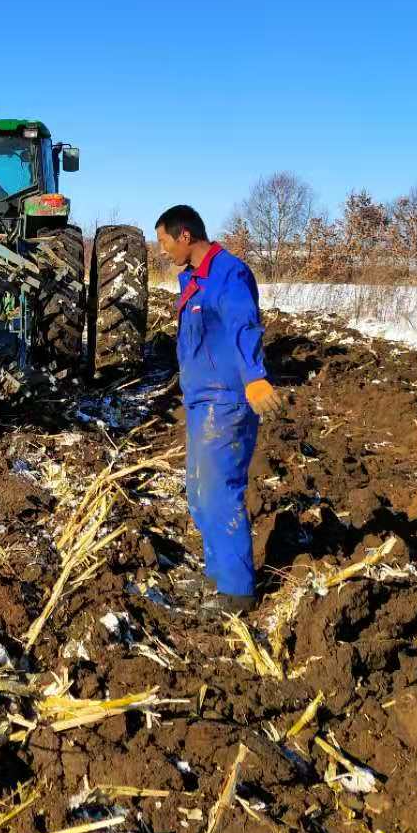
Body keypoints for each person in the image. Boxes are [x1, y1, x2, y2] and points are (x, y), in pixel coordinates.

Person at [155, 204, 284, 615]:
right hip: (200, 401)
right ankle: (216, 574)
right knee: (198, 492)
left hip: (225, 401)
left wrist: (255, 376)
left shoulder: (228, 273)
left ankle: (237, 593)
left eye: (163, 242)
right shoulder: (194, 280)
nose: (162, 251)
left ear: (185, 236)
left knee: (219, 491)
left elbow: (242, 323)